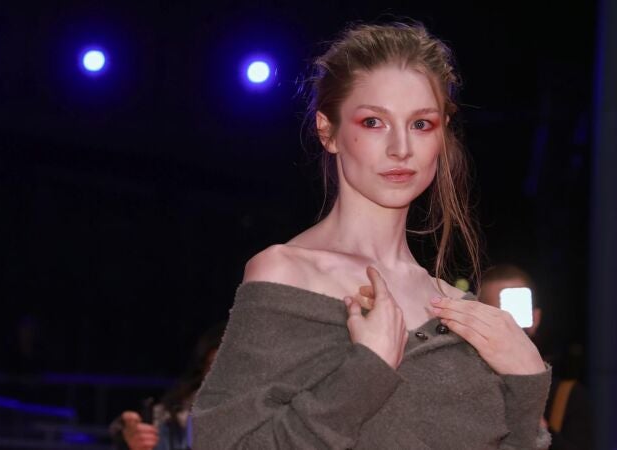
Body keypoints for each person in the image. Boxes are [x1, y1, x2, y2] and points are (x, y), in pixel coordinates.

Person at [191, 22, 552, 449]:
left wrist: (527, 379)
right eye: (374, 122)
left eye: (421, 124)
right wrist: (366, 368)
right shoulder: (287, 273)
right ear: (328, 131)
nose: (401, 147)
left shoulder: (460, 309)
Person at [479, 264, 592, 450]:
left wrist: (535, 425)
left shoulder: (567, 398)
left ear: (535, 318)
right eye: (496, 317)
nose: (508, 327)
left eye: (516, 313)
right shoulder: (461, 390)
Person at [110, 321, 225, 450]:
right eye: (216, 367)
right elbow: (129, 433)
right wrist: (128, 443)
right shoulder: (170, 419)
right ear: (203, 369)